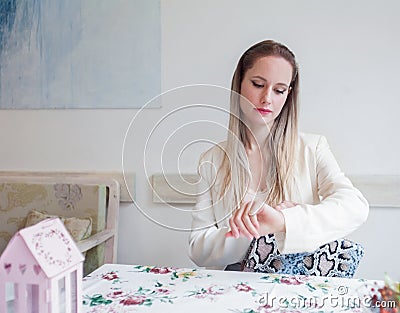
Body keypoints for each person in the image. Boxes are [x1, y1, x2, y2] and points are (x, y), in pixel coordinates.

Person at [188, 40, 369, 274]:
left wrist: (285, 221)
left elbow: (355, 207)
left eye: (279, 90)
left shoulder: (313, 148)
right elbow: (197, 249)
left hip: (300, 291)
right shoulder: (212, 160)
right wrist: (252, 229)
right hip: (234, 289)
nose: (267, 98)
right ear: (239, 85)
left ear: (288, 95)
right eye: (258, 84)